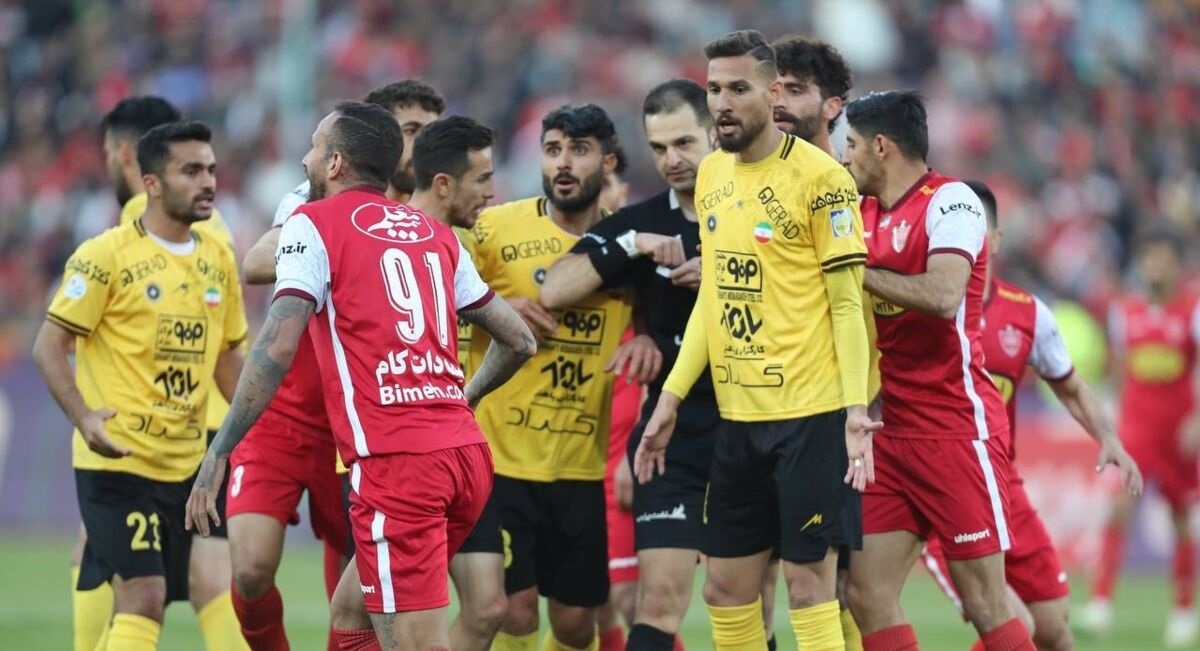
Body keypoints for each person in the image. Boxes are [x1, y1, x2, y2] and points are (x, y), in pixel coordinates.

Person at [185, 101, 536, 651]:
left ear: (335, 163)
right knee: (352, 616)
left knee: (417, 643)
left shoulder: (312, 224)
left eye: (314, 147)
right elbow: (519, 340)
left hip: (398, 465)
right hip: (466, 457)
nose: (305, 158)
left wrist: (220, 448)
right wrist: (462, 398)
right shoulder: (432, 231)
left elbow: (277, 345)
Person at [635, 30, 877, 651]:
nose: (721, 103)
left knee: (809, 588)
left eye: (737, 88)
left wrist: (855, 411)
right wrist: (669, 399)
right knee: (724, 589)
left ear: (772, 95)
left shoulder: (823, 180)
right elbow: (715, 297)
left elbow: (847, 306)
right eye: (714, 88)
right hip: (738, 418)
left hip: (812, 417)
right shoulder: (713, 173)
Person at [227, 79, 452, 651]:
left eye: (430, 134)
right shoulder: (314, 199)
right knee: (250, 569)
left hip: (361, 421)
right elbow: (256, 262)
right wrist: (334, 232)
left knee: (354, 595)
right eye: (410, 131)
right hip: (284, 412)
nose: (421, 146)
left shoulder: (436, 214)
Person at [34, 121, 248, 651]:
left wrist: (267, 427)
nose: (208, 182)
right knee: (145, 594)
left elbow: (227, 359)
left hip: (186, 466)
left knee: (162, 598)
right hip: (118, 461)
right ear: (151, 182)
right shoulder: (105, 255)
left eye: (211, 170)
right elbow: (49, 345)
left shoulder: (218, 258)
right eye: (191, 171)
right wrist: (84, 417)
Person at [841, 90, 1036, 651]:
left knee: (985, 604)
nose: (845, 157)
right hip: (891, 430)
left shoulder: (951, 202)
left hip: (955, 428)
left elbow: (945, 295)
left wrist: (854, 270)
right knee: (866, 594)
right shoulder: (861, 211)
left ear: (881, 146)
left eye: (851, 145)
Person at [918, 180, 1143, 651]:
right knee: (1012, 624)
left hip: (1004, 489)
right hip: (943, 494)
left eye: (977, 228)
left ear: (996, 240)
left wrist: (1109, 438)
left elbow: (1072, 387)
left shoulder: (1027, 314)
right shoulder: (921, 306)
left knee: (1054, 628)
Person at [541, 78, 718, 651]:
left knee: (744, 597)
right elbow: (554, 291)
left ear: (715, 135)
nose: (672, 159)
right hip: (673, 434)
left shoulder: (756, 216)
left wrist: (723, 273)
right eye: (660, 147)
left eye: (685, 143)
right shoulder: (640, 224)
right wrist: (631, 245)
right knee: (656, 601)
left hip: (754, 423)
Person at [469, 103, 636, 651]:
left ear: (607, 162)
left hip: (580, 466)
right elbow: (437, 294)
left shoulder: (625, 244)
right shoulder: (495, 229)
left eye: (579, 150)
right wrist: (496, 307)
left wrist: (649, 337)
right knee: (514, 613)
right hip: (500, 459)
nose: (563, 163)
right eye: (552, 150)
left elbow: (658, 320)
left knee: (575, 624)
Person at [770, 34, 863, 650]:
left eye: (796, 90)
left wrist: (861, 402)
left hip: (840, 411)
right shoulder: (747, 180)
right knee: (750, 580)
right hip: (761, 406)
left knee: (845, 585)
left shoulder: (852, 188)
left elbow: (854, 303)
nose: (779, 101)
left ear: (833, 106)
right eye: (774, 88)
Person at [1083, 227, 1200, 648]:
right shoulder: (1124, 312)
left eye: (1163, 259)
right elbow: (1118, 369)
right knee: (1118, 508)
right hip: (1137, 428)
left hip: (1178, 432)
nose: (1155, 267)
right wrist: (1111, 421)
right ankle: (1100, 603)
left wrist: (1197, 420)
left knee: (1181, 518)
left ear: (1176, 265)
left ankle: (1183, 610)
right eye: (1149, 259)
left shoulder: (1192, 310)